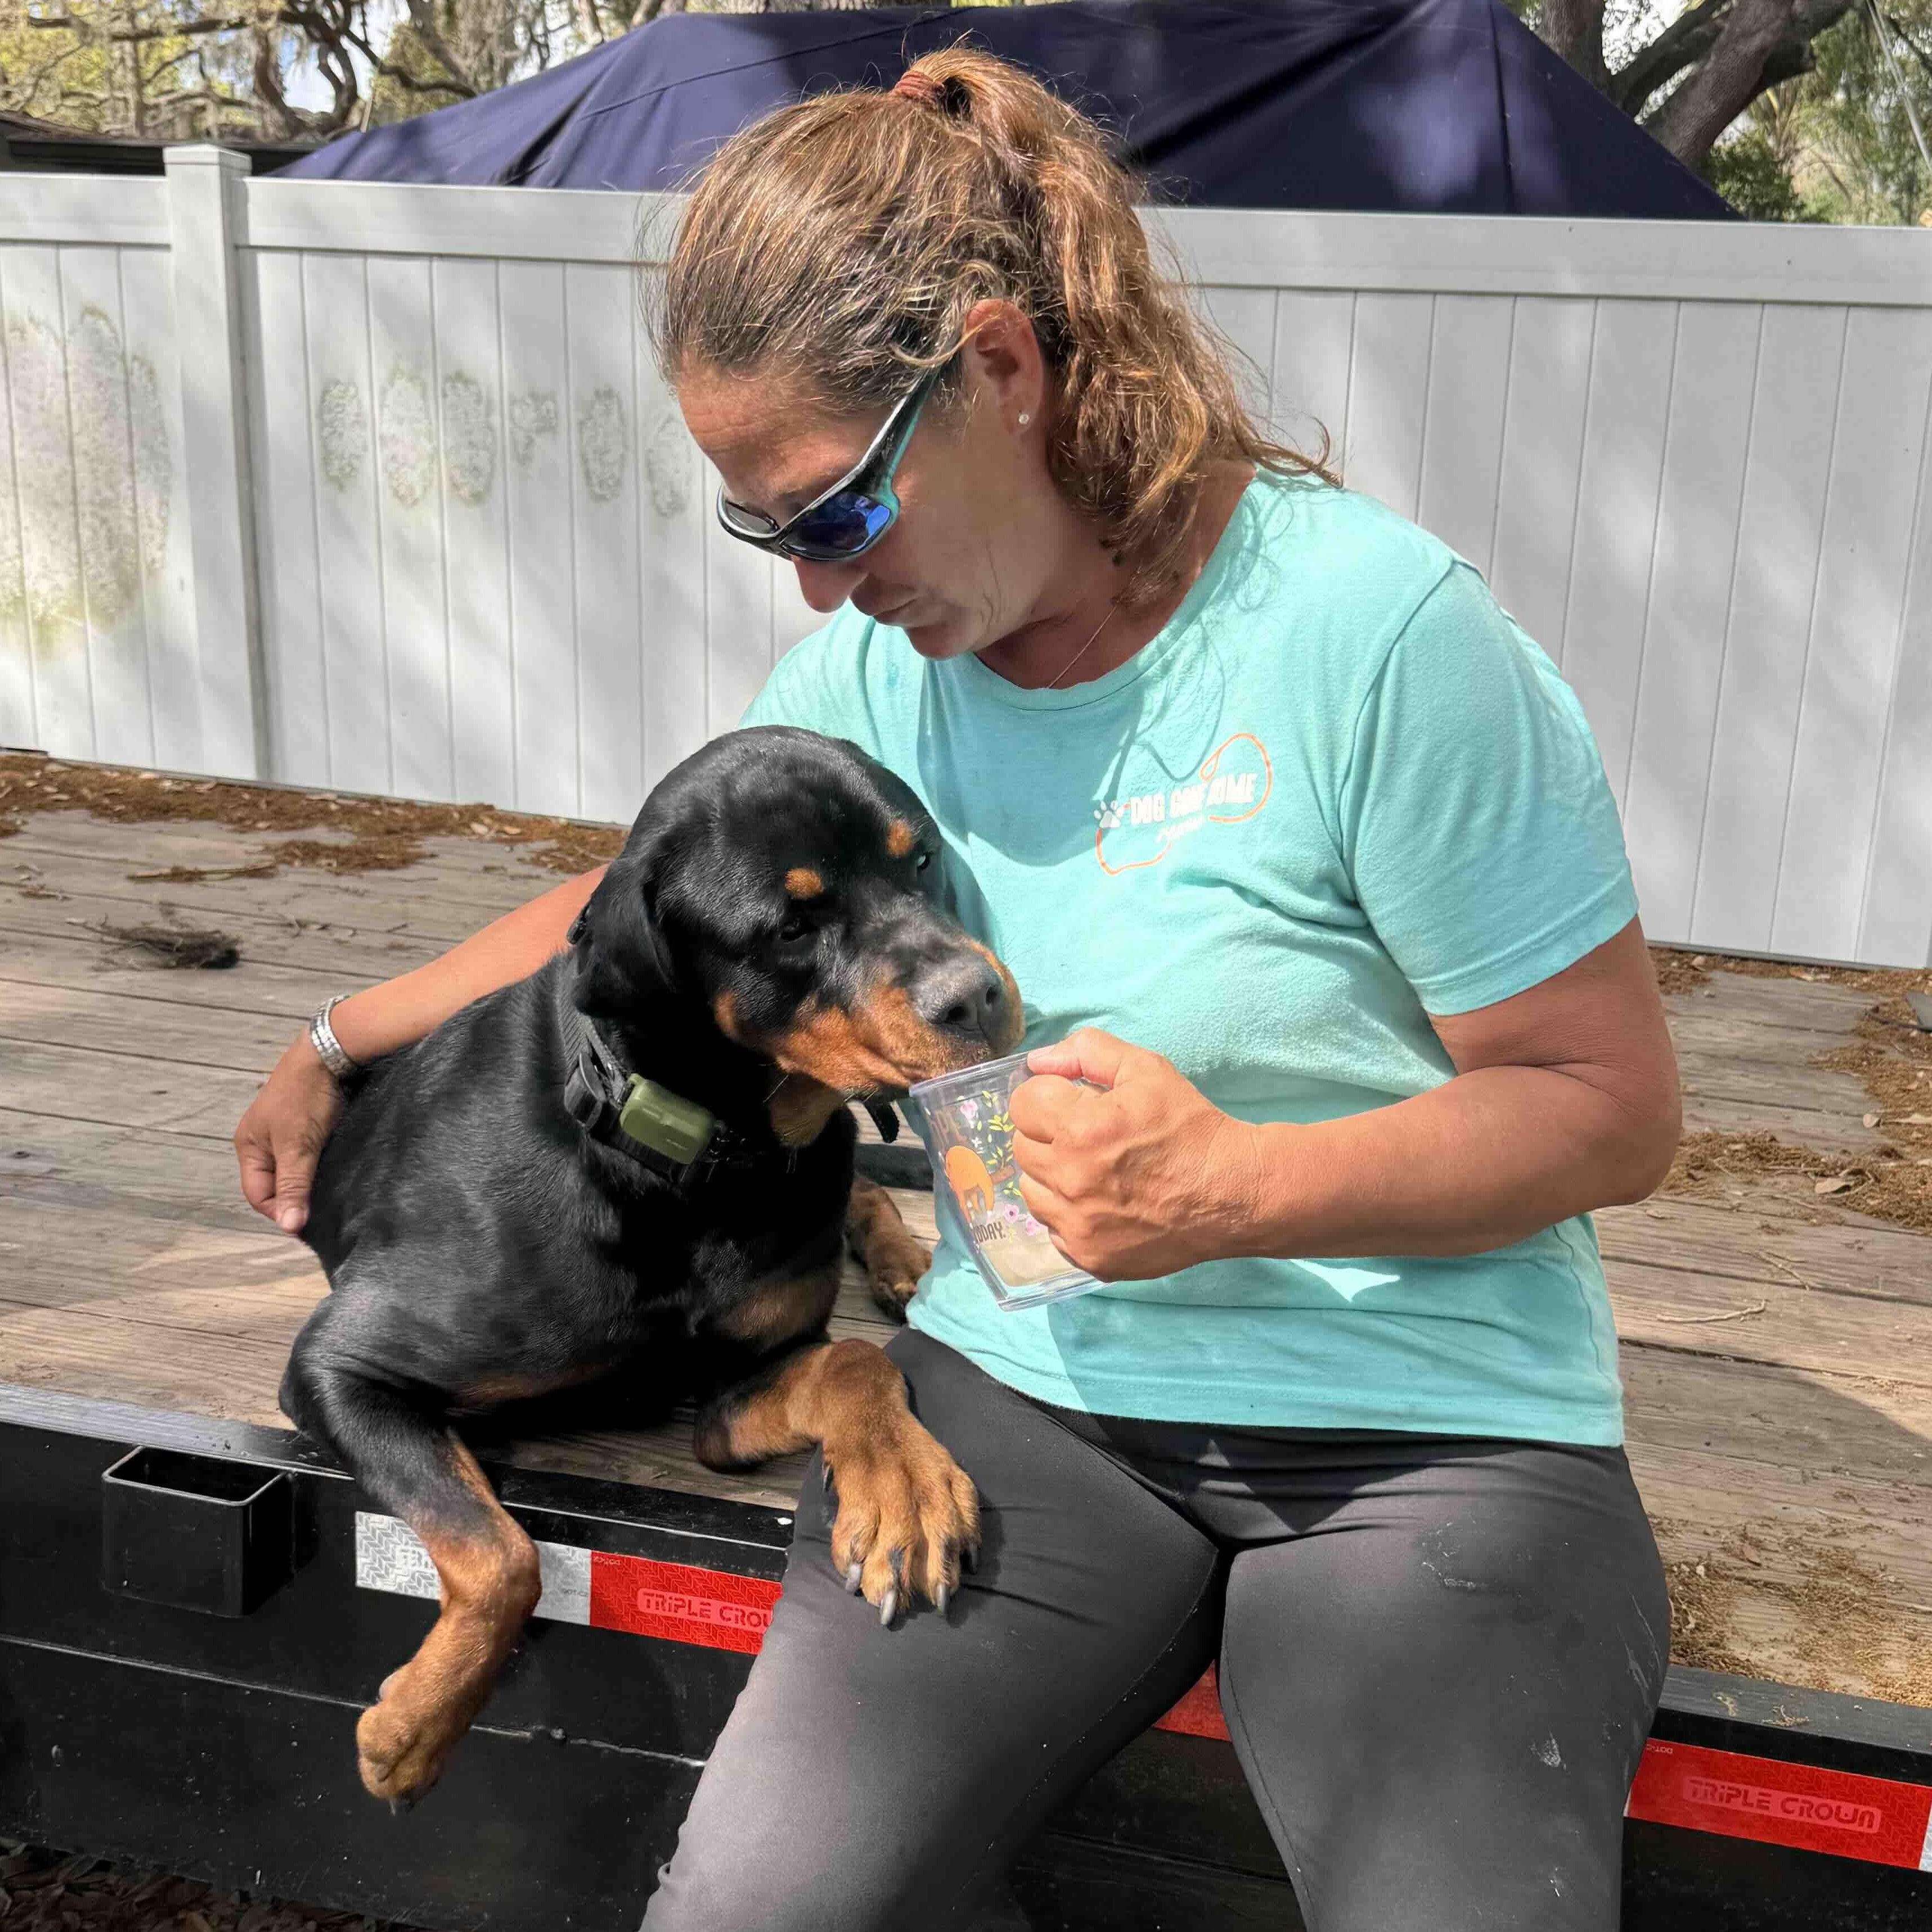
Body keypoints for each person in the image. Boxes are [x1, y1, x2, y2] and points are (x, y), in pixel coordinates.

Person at [235, 48, 1680, 1932]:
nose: (823, 593)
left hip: (1430, 1433)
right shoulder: (871, 686)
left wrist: (1242, 1191)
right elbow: (640, 902)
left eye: (835, 513)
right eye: (771, 535)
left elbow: (1609, 1107)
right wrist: (339, 1036)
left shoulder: (1374, 638)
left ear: (1000, 370)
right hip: (1036, 1399)